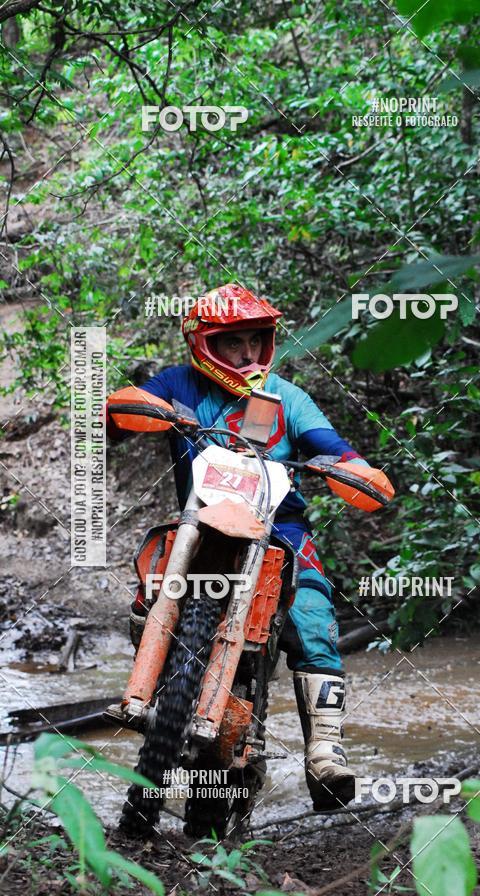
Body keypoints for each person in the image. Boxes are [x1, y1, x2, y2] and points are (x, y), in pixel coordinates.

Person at [107, 282, 393, 812]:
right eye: (233, 343)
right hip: (204, 522)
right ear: (205, 344)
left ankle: (325, 753)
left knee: (310, 608)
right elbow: (119, 419)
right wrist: (131, 410)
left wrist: (348, 466)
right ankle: (151, 682)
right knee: (152, 581)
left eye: (256, 341)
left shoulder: (289, 398)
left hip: (279, 529)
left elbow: (329, 444)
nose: (246, 355)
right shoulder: (181, 385)